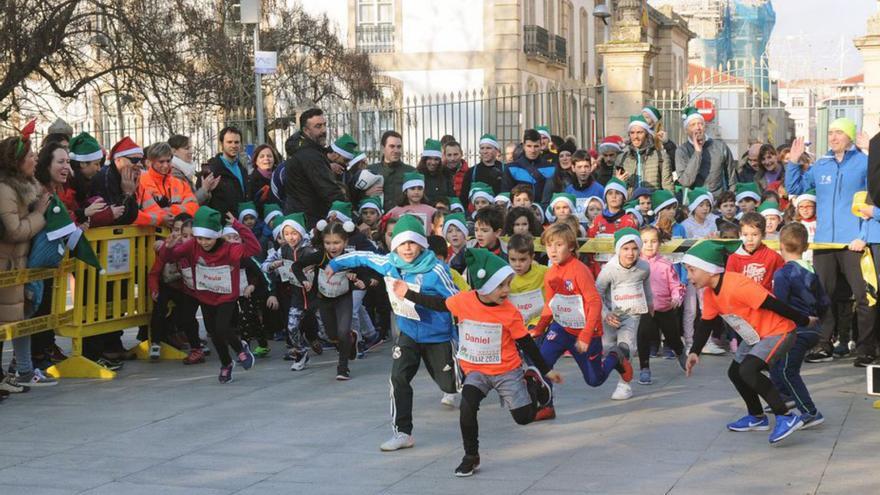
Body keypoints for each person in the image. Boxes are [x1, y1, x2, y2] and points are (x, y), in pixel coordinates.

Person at [391, 248, 560, 477]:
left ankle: (532, 383)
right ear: (485, 286)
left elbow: (527, 344)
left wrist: (546, 370)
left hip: (507, 371)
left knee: (524, 418)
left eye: (508, 284)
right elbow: (438, 303)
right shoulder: (465, 301)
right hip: (477, 371)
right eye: (501, 286)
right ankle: (471, 456)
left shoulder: (509, 312)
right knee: (467, 406)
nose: (506, 291)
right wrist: (407, 293)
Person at [327, 215, 459, 451]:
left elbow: (456, 301)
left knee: (449, 385)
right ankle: (403, 433)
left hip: (437, 334)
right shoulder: (390, 263)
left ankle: (453, 386)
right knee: (398, 378)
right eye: (402, 243)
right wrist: (335, 264)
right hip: (407, 332)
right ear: (394, 244)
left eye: (412, 242)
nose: (407, 248)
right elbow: (363, 257)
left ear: (422, 243)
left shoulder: (436, 270)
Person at [683, 240, 816, 445]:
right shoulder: (710, 293)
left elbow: (774, 304)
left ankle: (786, 417)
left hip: (778, 331)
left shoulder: (737, 284)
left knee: (748, 371)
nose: (689, 276)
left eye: (692, 270)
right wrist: (694, 351)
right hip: (755, 335)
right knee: (735, 372)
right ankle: (756, 417)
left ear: (710, 270)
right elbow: (706, 323)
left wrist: (804, 320)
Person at [529, 223, 633, 420]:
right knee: (542, 364)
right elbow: (550, 304)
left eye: (559, 245)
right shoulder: (550, 273)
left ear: (571, 247)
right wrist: (539, 328)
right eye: (549, 245)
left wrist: (586, 335)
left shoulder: (580, 270)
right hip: (561, 329)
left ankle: (616, 357)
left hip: (587, 332)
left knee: (595, 380)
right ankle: (547, 406)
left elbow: (594, 303)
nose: (553, 250)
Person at [160, 206, 260, 383]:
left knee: (222, 328)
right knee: (214, 333)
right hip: (205, 295)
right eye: (200, 238)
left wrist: (238, 225)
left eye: (208, 238)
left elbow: (254, 248)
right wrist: (169, 247)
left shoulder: (229, 249)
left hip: (226, 295)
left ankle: (240, 350)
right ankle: (226, 364)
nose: (204, 242)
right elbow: (170, 257)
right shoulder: (193, 245)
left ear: (217, 234)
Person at [0, 123, 51, 395]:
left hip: (16, 268)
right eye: (31, 156)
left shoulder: (24, 187)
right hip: (5, 267)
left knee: (19, 319)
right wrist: (39, 215)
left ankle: (22, 371)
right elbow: (14, 230)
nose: (35, 160)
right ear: (18, 161)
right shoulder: (5, 190)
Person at [769, 223, 831, 428]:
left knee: (787, 370)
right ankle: (785, 397)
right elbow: (824, 302)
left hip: (795, 330)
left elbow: (781, 305)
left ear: (780, 246)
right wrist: (815, 319)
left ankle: (810, 412)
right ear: (805, 247)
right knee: (777, 365)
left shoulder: (782, 274)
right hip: (811, 329)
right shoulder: (811, 270)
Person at [292, 221, 368, 380]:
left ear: (345, 242)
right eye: (328, 243)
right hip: (324, 299)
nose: (332, 247)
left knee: (342, 332)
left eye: (337, 243)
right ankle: (351, 339)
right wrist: (304, 280)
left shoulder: (350, 257)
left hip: (344, 298)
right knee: (332, 334)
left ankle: (343, 368)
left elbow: (364, 272)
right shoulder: (320, 256)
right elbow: (296, 266)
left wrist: (358, 279)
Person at [594, 228, 652, 400]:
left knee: (627, 347)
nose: (630, 253)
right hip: (611, 314)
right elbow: (597, 293)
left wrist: (650, 302)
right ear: (618, 250)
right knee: (607, 348)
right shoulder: (608, 270)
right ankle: (618, 361)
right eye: (626, 249)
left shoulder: (644, 267)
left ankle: (624, 385)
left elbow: (646, 285)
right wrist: (605, 314)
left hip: (632, 313)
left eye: (634, 249)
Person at [638, 225, 687, 384]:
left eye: (653, 241)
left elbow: (676, 285)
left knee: (673, 337)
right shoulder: (635, 264)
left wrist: (676, 298)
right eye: (645, 241)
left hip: (664, 308)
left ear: (659, 243)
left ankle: (680, 353)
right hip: (644, 309)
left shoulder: (666, 264)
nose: (649, 245)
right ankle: (644, 367)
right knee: (643, 337)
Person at [283, 109, 346, 227]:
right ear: (306, 130)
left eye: (324, 125)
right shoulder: (310, 156)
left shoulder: (308, 152)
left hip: (303, 218)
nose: (324, 130)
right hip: (310, 221)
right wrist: (349, 214)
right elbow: (329, 190)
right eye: (318, 126)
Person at [675, 106, 737, 198]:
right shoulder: (682, 151)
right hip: (694, 202)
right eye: (693, 125)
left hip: (718, 200)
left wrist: (730, 198)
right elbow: (686, 181)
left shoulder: (720, 146)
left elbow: (731, 178)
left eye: (700, 124)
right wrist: (697, 153)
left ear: (705, 126)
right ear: (686, 130)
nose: (697, 128)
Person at [135, 142, 199, 227]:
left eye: (168, 161)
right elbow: (136, 211)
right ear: (150, 162)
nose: (165, 165)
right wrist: (162, 217)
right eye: (161, 162)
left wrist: (171, 210)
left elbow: (194, 207)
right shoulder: (140, 182)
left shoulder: (180, 184)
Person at [88, 136, 143, 226]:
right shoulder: (105, 177)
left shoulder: (130, 178)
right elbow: (118, 218)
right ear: (118, 160)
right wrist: (128, 194)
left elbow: (132, 216)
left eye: (141, 160)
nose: (140, 165)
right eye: (135, 160)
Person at [726, 212, 784, 291]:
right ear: (740, 234)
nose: (750, 239)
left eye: (755, 234)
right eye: (745, 235)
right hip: (741, 300)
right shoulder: (734, 257)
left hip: (765, 301)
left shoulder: (773, 257)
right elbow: (730, 285)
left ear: (763, 235)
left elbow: (782, 280)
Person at [615, 115, 673, 192]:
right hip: (629, 203)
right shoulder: (621, 158)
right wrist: (617, 183)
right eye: (632, 133)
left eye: (639, 132)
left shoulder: (661, 157)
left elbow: (668, 187)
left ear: (646, 134)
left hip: (652, 202)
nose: (635, 136)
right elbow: (614, 189)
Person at [506, 233, 548, 330]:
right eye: (512, 259)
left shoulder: (543, 272)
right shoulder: (505, 277)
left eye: (522, 260)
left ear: (532, 257)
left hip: (538, 323)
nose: (517, 264)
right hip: (515, 324)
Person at [205, 126, 248, 218]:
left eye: (236, 142)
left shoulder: (243, 170)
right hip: (221, 225)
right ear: (221, 144)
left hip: (240, 224)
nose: (233, 145)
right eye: (229, 142)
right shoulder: (212, 170)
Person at [502, 129, 554, 201]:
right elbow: (506, 195)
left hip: (543, 210)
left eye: (536, 146)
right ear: (523, 146)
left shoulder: (551, 168)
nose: (532, 150)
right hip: (519, 210)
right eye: (529, 146)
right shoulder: (511, 168)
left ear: (541, 146)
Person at [369, 130, 416, 209]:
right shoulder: (371, 171)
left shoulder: (411, 172)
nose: (396, 150)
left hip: (403, 218)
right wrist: (366, 193)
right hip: (378, 219)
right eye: (392, 146)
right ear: (383, 148)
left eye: (399, 147)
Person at [459, 134, 504, 209]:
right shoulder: (471, 172)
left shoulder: (505, 170)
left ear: (496, 150)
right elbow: (464, 198)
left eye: (488, 148)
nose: (485, 151)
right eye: (482, 148)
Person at [169, 134, 215, 205]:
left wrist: (207, 189)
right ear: (174, 151)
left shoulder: (184, 171)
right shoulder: (175, 174)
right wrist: (204, 189)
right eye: (187, 148)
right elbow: (186, 204)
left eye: (191, 148)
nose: (191, 151)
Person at [565, 149, 604, 220]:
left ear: (590, 167)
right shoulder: (568, 190)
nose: (583, 171)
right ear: (573, 168)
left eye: (586, 166)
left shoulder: (600, 189)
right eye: (579, 167)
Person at [641, 105, 677, 174]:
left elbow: (673, 164)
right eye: (642, 117)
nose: (643, 120)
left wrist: (667, 143)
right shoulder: (636, 137)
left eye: (647, 117)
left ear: (654, 121)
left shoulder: (661, 138)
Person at [417, 139, 454, 205]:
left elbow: (451, 195)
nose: (433, 163)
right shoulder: (417, 174)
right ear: (424, 160)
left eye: (436, 159)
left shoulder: (446, 173)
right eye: (430, 159)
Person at [248, 144, 281, 212]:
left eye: (269, 156)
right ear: (256, 161)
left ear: (274, 159)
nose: (266, 158)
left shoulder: (279, 178)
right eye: (262, 156)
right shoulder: (251, 181)